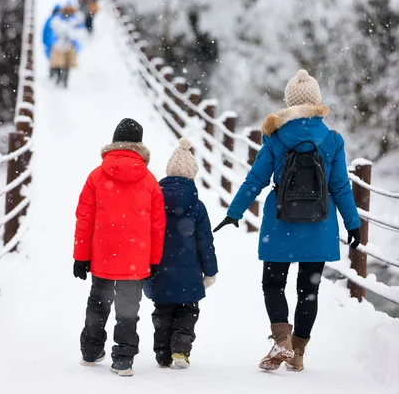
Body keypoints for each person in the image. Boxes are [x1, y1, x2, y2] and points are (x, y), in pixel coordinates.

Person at [214, 69, 361, 372]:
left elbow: (256, 179)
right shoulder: (332, 140)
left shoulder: (276, 137)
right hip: (319, 224)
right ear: (316, 102)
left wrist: (234, 212)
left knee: (273, 284)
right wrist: (352, 223)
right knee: (309, 290)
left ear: (289, 102)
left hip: (280, 223)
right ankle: (298, 353)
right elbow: (340, 186)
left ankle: (282, 340)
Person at [73, 118, 166, 376]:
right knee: (128, 308)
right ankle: (123, 359)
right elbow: (158, 226)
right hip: (135, 259)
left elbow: (84, 220)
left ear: (114, 143)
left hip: (102, 254)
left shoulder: (96, 176)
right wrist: (154, 259)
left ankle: (90, 352)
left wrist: (81, 257)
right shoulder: (149, 181)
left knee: (97, 303)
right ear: (140, 146)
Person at [144, 138, 218, 369]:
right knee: (187, 311)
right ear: (192, 175)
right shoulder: (197, 206)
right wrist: (210, 271)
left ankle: (162, 353)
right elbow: (205, 241)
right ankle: (180, 349)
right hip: (189, 270)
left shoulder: (153, 201)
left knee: (162, 311)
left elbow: (144, 236)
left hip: (159, 269)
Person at [49, 4, 81, 87]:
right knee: (59, 64)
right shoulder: (57, 20)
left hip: (68, 46)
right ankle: (59, 79)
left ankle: (64, 81)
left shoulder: (73, 20)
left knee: (67, 65)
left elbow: (76, 34)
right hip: (59, 45)